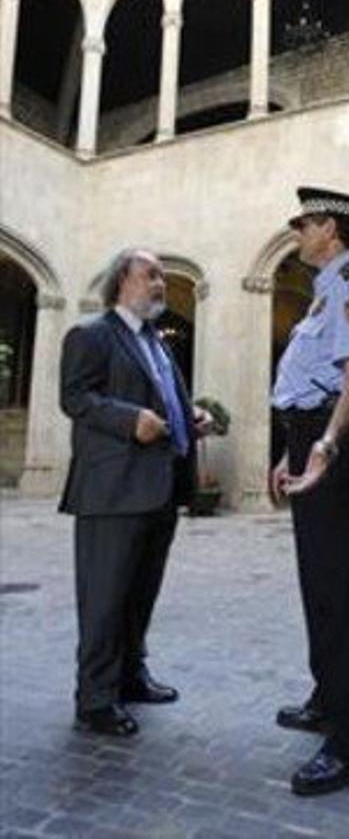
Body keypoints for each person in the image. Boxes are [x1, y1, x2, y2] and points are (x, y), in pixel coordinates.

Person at [270, 186, 349, 797]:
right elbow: (307, 379)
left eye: (303, 224)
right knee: (318, 581)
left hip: (334, 443)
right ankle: (329, 698)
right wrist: (290, 448)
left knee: (340, 586)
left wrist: (323, 447)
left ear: (330, 230)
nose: (297, 233)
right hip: (311, 434)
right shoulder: (327, 291)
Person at [59, 247, 211, 737]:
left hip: (160, 487)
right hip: (112, 490)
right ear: (122, 280)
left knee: (140, 593)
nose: (160, 283)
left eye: (162, 276)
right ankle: (95, 699)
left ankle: (129, 677)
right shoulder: (91, 334)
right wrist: (130, 421)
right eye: (152, 274)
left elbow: (163, 401)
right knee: (104, 597)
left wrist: (192, 420)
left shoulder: (158, 342)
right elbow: (76, 397)